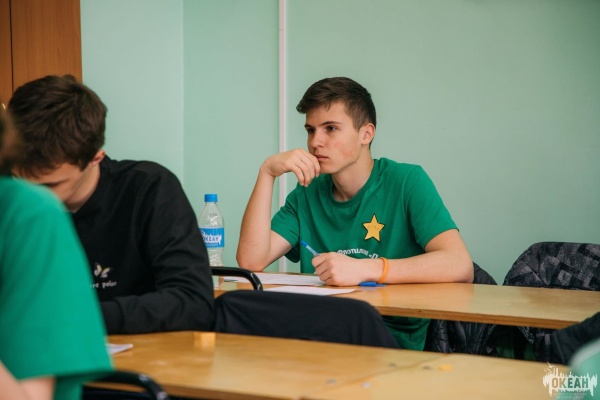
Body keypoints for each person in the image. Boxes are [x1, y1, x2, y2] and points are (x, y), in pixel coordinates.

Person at [237, 77, 473, 349]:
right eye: (311, 130)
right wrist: (267, 173)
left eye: (331, 128)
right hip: (321, 332)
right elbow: (250, 261)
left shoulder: (407, 181)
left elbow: (460, 264)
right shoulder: (306, 193)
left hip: (387, 337)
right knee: (237, 314)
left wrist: (365, 269)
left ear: (366, 134)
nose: (315, 142)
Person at [8, 75, 214, 335]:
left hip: (139, 353)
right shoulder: (10, 198)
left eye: (50, 186)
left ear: (95, 157)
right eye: (19, 180)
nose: (29, 197)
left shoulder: (148, 189)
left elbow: (193, 304)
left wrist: (74, 317)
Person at [0, 103, 113, 399]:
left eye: (50, 183)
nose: (37, 187)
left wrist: (83, 316)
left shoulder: (28, 212)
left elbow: (189, 300)